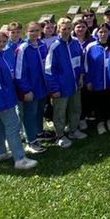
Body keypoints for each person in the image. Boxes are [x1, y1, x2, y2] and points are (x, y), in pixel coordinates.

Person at [0, 32, 37, 169]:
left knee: (0, 125)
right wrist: (1, 104)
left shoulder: (1, 56)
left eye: (4, 42)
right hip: (3, 101)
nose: (1, 44)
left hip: (8, 98)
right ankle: (20, 159)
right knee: (13, 126)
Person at [44, 17, 86, 148]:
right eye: (63, 29)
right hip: (61, 86)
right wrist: (54, 88)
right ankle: (60, 135)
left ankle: (73, 130)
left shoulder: (74, 44)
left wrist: (80, 77)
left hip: (75, 84)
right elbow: (49, 70)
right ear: (58, 30)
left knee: (76, 108)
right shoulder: (54, 47)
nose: (66, 31)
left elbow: (79, 61)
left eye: (69, 28)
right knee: (60, 112)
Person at [15, 21, 49, 154]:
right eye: (31, 31)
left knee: (40, 110)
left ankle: (39, 132)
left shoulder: (42, 45)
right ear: (26, 33)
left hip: (42, 86)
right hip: (30, 88)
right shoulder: (23, 48)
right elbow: (19, 72)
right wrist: (26, 90)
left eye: (36, 31)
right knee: (30, 114)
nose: (34, 33)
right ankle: (30, 141)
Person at [84, 23, 110, 135]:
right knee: (98, 103)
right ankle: (100, 123)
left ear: (109, 32)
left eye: (105, 32)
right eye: (101, 32)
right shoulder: (91, 47)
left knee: (109, 101)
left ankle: (109, 120)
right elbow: (86, 65)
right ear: (97, 33)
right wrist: (88, 80)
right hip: (97, 81)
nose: (103, 34)